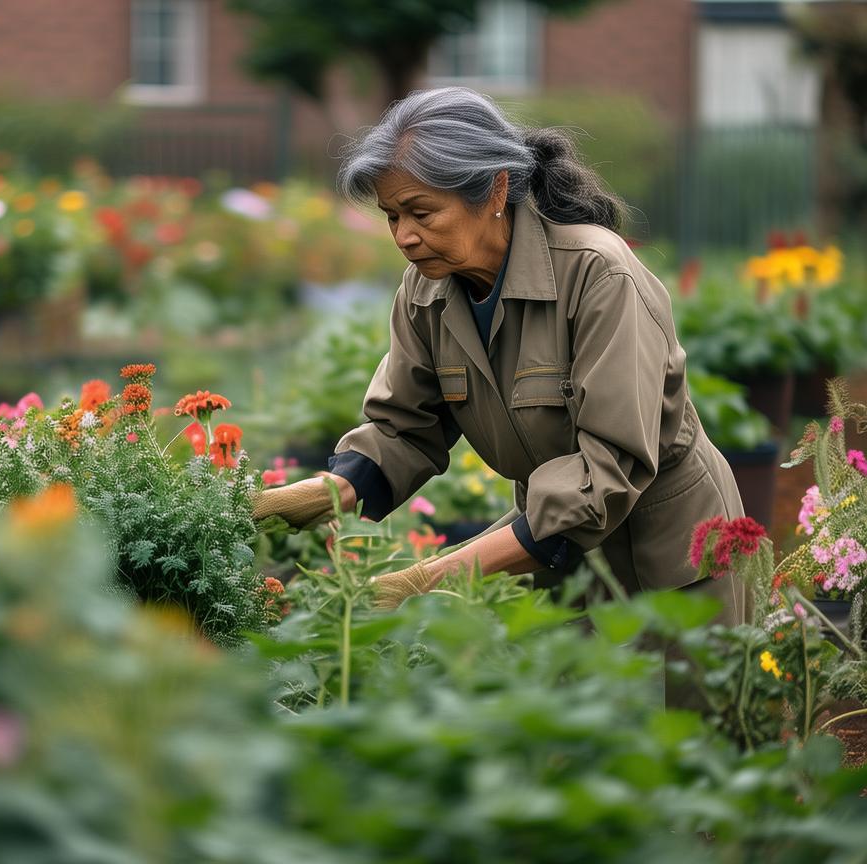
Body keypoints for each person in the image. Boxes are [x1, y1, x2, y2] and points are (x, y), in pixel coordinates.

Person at [253, 86, 746, 623]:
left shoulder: (598, 274)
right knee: (562, 698)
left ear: (494, 191)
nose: (405, 236)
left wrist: (422, 581)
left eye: (422, 212)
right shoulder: (426, 291)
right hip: (560, 550)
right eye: (392, 216)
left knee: (677, 703)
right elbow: (404, 429)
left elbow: (608, 469)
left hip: (674, 556)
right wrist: (302, 498)